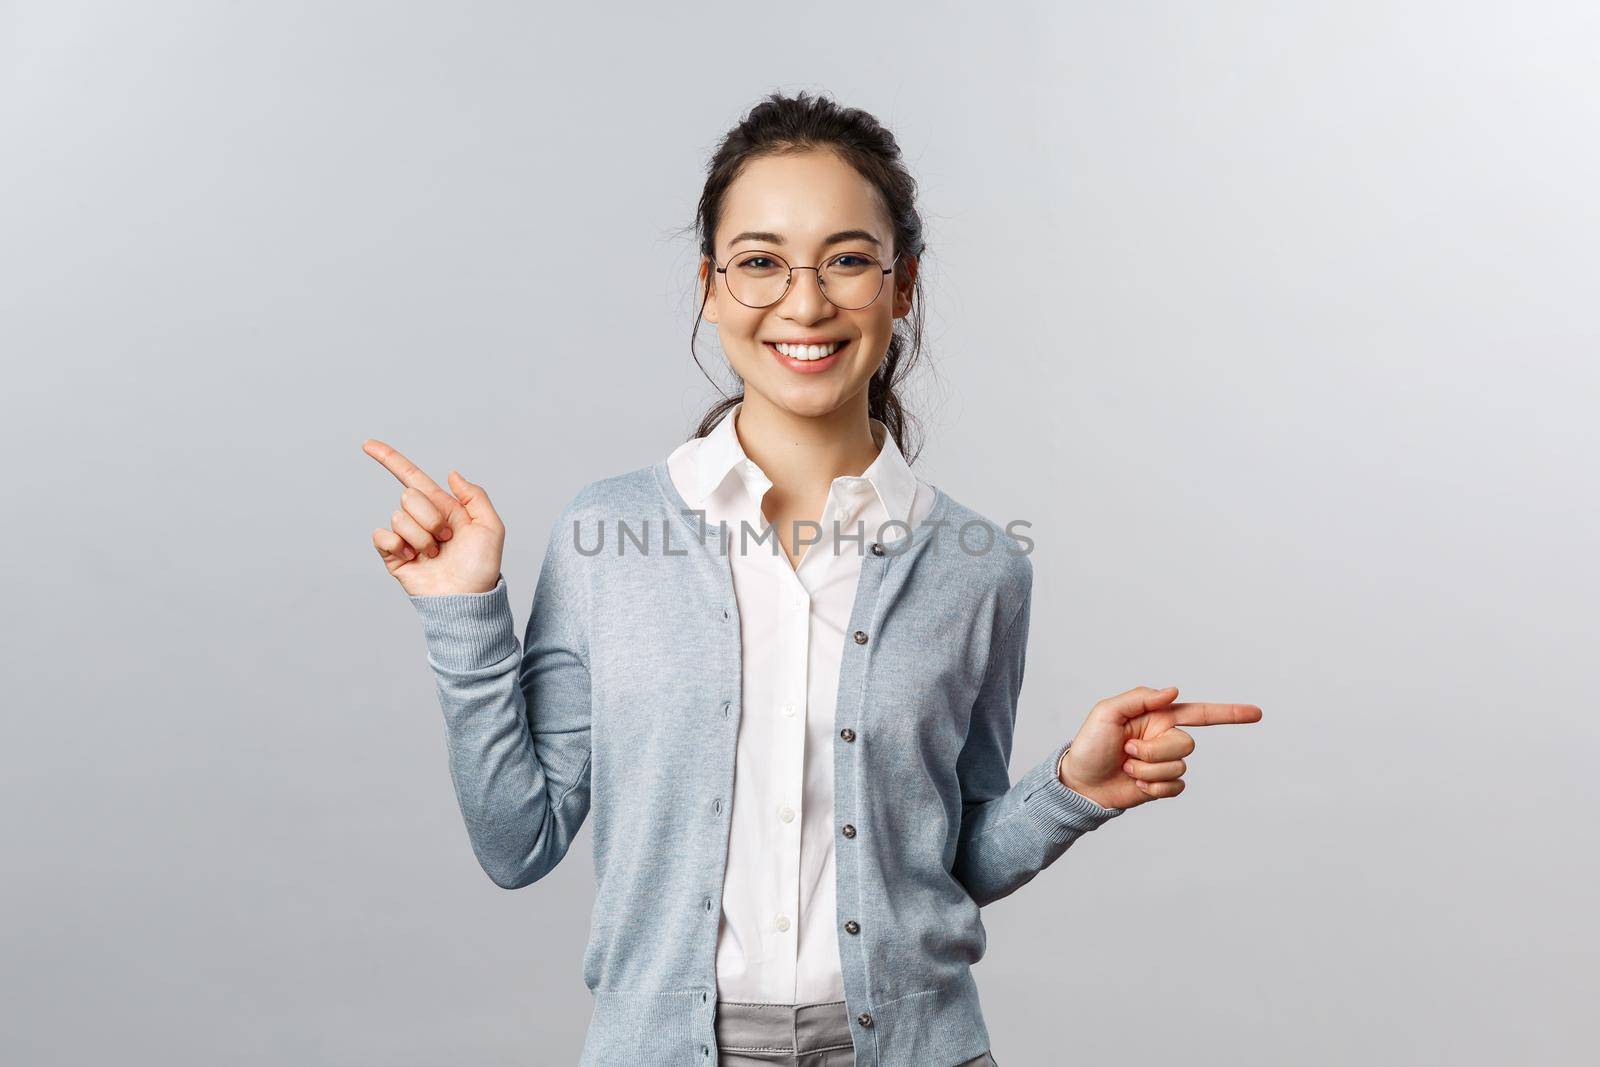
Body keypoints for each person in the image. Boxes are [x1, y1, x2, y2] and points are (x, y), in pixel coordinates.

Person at [363, 91, 1261, 1067]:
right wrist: (462, 614)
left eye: (845, 259)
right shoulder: (605, 534)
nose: (804, 302)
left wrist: (1071, 789)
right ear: (709, 285)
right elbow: (517, 841)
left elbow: (940, 859)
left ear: (901, 283)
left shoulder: (979, 566)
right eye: (758, 262)